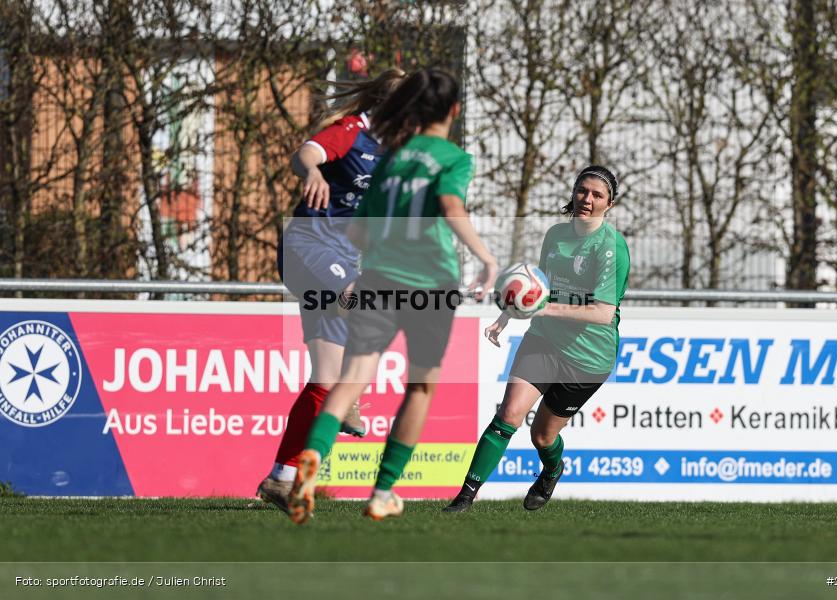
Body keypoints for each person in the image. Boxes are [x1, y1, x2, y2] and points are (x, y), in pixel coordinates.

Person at [287, 67, 498, 524]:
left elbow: (360, 230)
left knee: (352, 377)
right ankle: (382, 492)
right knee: (420, 387)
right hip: (431, 283)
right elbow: (451, 206)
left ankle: (309, 463)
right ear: (454, 112)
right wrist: (486, 257)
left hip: (378, 278)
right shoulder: (453, 157)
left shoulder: (391, 159)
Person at [256, 68, 407, 513]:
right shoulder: (352, 131)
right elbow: (305, 152)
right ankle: (355, 395)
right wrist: (314, 172)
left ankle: (281, 478)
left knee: (324, 380)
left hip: (337, 259)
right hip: (308, 246)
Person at [444, 165, 630, 512]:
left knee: (542, 436)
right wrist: (506, 314)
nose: (587, 199)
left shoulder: (611, 247)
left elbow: (604, 314)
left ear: (610, 204)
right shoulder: (556, 235)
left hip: (589, 359)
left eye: (597, 195)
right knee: (509, 414)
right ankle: (465, 498)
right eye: (582, 191)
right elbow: (538, 287)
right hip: (544, 340)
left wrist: (541, 309)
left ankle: (552, 469)